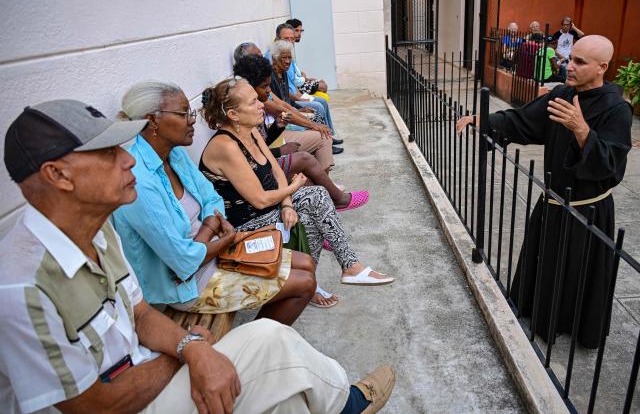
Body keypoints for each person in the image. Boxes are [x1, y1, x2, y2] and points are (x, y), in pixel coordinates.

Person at [0, 99, 396, 414]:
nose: (128, 160)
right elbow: (96, 405)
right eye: (107, 153)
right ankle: (345, 402)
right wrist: (194, 350)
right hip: (130, 393)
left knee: (284, 397)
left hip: (148, 361)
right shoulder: (20, 288)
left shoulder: (96, 229)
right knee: (268, 340)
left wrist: (191, 346)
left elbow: (139, 314)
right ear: (58, 176)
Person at [456, 35, 633, 348]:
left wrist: (582, 130)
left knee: (578, 272)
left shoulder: (617, 109)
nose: (569, 65)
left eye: (580, 62)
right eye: (570, 58)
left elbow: (612, 167)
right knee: (547, 261)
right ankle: (540, 314)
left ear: (602, 67)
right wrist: (482, 120)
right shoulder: (564, 93)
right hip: (554, 201)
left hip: (588, 210)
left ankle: (573, 325)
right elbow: (523, 120)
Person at [111, 81, 316, 326]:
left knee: (306, 263)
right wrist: (222, 237)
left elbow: (212, 198)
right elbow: (183, 263)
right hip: (185, 286)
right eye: (184, 113)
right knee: (304, 283)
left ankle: (263, 333)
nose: (192, 120)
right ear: (153, 121)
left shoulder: (173, 154)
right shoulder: (139, 181)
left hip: (212, 252)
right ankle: (253, 343)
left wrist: (209, 230)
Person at [199, 77, 395, 302]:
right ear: (233, 115)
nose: (262, 104)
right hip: (242, 226)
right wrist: (293, 188)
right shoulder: (225, 146)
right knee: (314, 200)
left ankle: (324, 276)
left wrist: (287, 204)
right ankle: (342, 269)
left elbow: (276, 171)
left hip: (268, 209)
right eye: (253, 102)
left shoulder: (249, 130)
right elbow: (260, 200)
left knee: (315, 201)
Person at [233, 54, 369, 212]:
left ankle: (328, 191)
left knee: (312, 175)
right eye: (264, 87)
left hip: (270, 156)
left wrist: (277, 127)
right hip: (262, 172)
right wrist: (281, 151)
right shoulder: (243, 117)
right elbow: (253, 157)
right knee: (305, 163)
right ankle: (334, 197)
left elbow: (263, 140)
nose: (268, 91)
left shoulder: (258, 103)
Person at [234, 42, 339, 155]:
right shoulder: (253, 89)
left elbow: (283, 103)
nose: (263, 58)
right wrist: (312, 124)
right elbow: (280, 110)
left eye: (261, 55)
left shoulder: (271, 77)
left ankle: (328, 139)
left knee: (316, 115)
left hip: (276, 129)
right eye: (257, 56)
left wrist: (298, 110)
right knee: (319, 130)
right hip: (277, 131)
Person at [271, 24, 344, 153]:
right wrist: (299, 110)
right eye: (284, 58)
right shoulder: (271, 74)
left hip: (292, 106)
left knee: (317, 108)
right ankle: (325, 142)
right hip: (283, 119)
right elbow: (282, 105)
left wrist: (300, 107)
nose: (287, 61)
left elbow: (287, 98)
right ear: (275, 58)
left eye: (289, 58)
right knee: (317, 110)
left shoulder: (283, 71)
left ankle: (328, 138)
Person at [285, 18, 331, 99]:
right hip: (297, 87)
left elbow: (294, 73)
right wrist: (304, 78)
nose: (299, 34)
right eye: (296, 30)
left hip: (299, 83)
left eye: (301, 31)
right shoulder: (284, 51)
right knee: (323, 86)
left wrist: (304, 77)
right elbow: (294, 80)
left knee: (322, 82)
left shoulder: (290, 48)